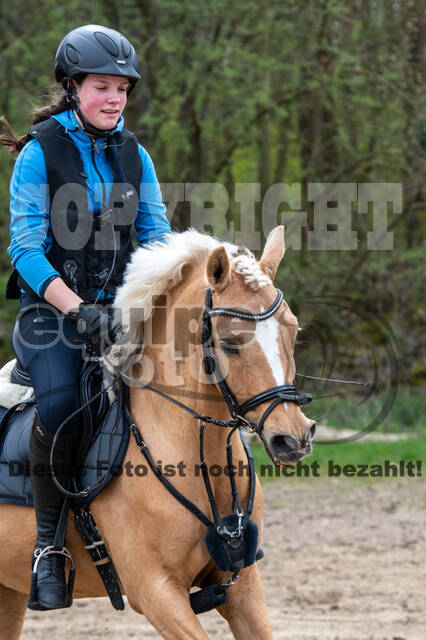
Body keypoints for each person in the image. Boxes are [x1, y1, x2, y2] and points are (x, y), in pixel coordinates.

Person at [0, 24, 171, 611]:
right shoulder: (38, 152)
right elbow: (24, 249)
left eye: (123, 88)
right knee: (61, 405)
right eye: (103, 87)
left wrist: (148, 301)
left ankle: (217, 527)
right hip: (50, 317)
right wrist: (78, 310)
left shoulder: (135, 152)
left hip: (121, 315)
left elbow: (156, 239)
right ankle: (49, 546)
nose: (116, 99)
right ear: (73, 88)